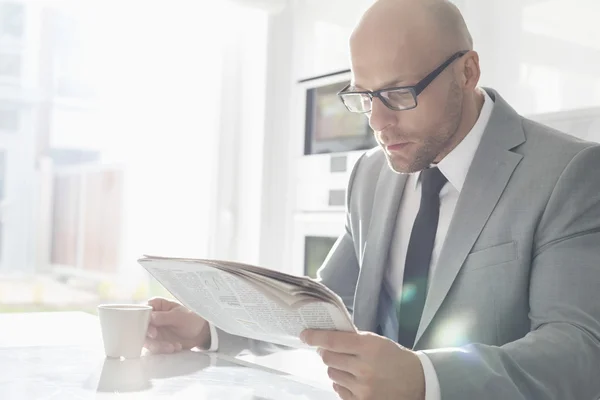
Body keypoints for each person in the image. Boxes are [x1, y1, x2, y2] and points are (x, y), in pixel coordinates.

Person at [144, 0, 600, 399]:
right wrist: (212, 327)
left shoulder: (570, 172)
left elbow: (581, 350)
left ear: (468, 71)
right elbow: (324, 303)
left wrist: (426, 380)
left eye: (399, 94)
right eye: (364, 96)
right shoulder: (370, 173)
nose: (377, 123)